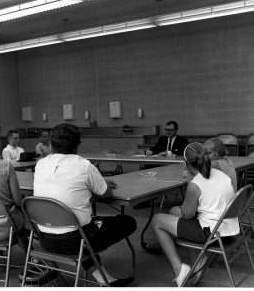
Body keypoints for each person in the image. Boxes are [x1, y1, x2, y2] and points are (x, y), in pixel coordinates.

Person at [33, 123, 136, 287]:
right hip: (75, 240)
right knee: (127, 222)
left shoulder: (40, 164)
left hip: (43, 238)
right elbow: (106, 194)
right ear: (77, 145)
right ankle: (104, 277)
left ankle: (106, 279)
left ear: (51, 144)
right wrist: (101, 183)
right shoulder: (83, 165)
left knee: (84, 226)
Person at [152, 142, 239, 287]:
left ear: (186, 164)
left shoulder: (196, 183)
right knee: (174, 210)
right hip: (229, 230)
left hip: (211, 234)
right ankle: (199, 257)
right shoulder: (221, 174)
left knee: (157, 220)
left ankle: (180, 270)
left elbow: (187, 215)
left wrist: (189, 182)